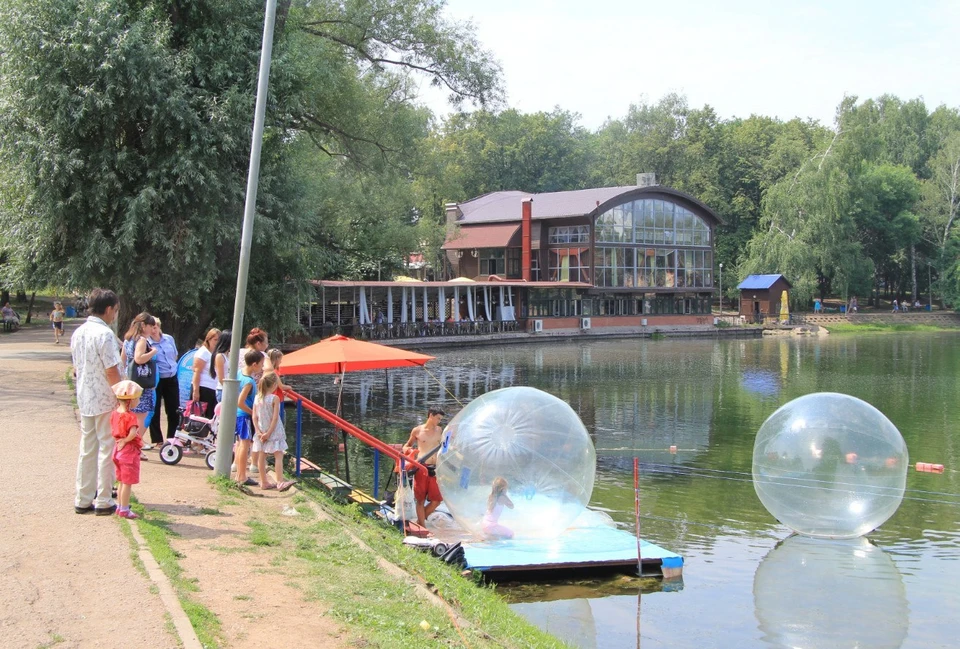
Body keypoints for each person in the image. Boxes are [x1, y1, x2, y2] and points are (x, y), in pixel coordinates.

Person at [71, 288, 123, 515]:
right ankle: (103, 499)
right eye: (115, 310)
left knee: (87, 448)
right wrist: (122, 396)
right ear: (109, 309)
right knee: (106, 447)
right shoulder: (105, 334)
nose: (115, 315)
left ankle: (83, 497)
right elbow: (112, 369)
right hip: (105, 398)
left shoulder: (78, 332)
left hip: (85, 397)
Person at [402, 406, 446, 527]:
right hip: (421, 467)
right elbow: (406, 445)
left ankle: (420, 520)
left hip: (435, 467)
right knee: (420, 499)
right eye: (438, 418)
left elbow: (447, 444)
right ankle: (422, 526)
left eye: (440, 419)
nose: (439, 421)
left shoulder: (440, 430)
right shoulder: (417, 430)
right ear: (430, 415)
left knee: (437, 500)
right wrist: (409, 450)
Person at [121, 313, 159, 448]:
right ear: (143, 325)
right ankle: (135, 445)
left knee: (130, 414)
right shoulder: (142, 340)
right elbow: (139, 358)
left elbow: (123, 360)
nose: (152, 330)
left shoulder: (128, 339)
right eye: (151, 326)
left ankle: (129, 443)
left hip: (130, 380)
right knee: (141, 417)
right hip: (142, 382)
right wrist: (153, 352)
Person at [252, 373, 295, 492]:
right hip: (274, 431)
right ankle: (280, 482)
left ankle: (263, 481)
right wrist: (269, 433)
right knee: (278, 455)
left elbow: (254, 416)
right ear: (275, 385)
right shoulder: (274, 398)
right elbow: (275, 418)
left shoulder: (257, 398)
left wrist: (258, 431)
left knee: (262, 455)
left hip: (261, 430)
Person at [111, 380, 145, 519]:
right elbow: (132, 433)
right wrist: (126, 440)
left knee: (120, 481)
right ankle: (125, 509)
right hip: (128, 451)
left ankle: (120, 506)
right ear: (130, 400)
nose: (139, 400)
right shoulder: (130, 416)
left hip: (117, 450)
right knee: (127, 483)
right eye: (137, 398)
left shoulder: (115, 413)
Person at [235, 349, 264, 486]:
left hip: (239, 416)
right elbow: (240, 402)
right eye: (261, 364)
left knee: (242, 444)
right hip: (245, 416)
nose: (262, 368)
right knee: (244, 445)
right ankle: (242, 476)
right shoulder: (248, 381)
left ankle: (240, 475)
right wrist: (253, 412)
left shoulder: (240, 373)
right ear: (254, 364)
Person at [149, 318, 181, 443]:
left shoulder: (169, 339)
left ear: (159, 326)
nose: (153, 330)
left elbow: (175, 354)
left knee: (174, 409)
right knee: (155, 409)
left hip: (171, 376)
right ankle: (157, 439)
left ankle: (172, 438)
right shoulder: (147, 342)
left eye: (155, 327)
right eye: (150, 328)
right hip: (156, 379)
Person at [191, 327, 220, 417]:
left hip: (212, 389)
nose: (217, 342)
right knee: (200, 418)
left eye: (219, 340)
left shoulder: (215, 354)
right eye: (215, 340)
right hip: (203, 388)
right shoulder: (203, 352)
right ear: (208, 339)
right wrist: (196, 391)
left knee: (209, 418)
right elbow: (196, 371)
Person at [211, 330, 232, 402]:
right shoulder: (220, 356)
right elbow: (221, 378)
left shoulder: (228, 355)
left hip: (227, 389)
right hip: (222, 390)